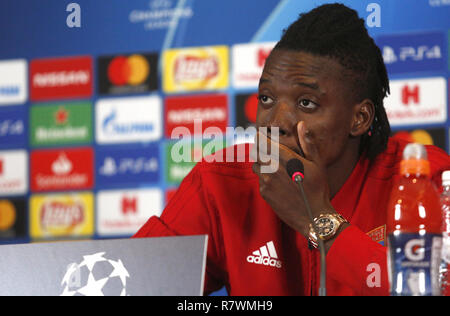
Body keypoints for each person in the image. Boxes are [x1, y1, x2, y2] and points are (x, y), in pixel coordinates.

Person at [134, 3, 450, 295]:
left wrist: (318, 221)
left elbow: (435, 288)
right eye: (267, 99)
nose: (278, 122)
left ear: (359, 118)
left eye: (306, 103)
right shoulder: (222, 183)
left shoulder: (424, 182)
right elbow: (133, 286)